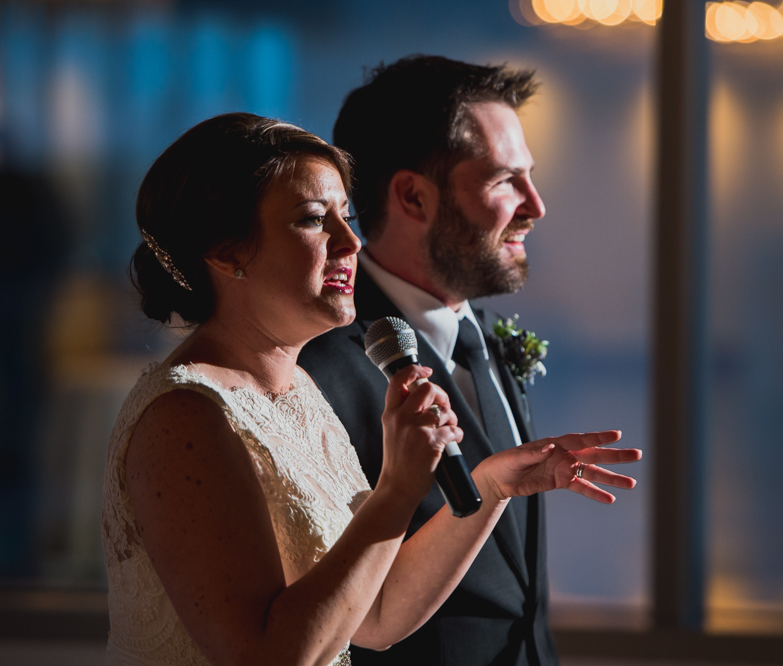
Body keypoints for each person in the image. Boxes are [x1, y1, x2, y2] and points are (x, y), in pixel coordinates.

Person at [101, 112, 640, 666]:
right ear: (226, 250)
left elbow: (376, 618)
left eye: (347, 216)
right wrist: (397, 491)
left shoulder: (299, 391)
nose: (350, 241)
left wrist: (491, 486)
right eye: (314, 219)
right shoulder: (186, 417)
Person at [297, 56, 575, 666]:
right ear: (413, 196)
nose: (535, 205)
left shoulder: (488, 336)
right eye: (505, 181)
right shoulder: (316, 368)